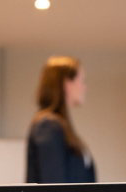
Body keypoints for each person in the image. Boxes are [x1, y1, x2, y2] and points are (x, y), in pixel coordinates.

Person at [26, 56, 96, 184]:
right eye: (82, 81)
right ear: (66, 83)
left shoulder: (59, 125)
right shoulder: (47, 126)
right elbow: (54, 188)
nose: (84, 87)